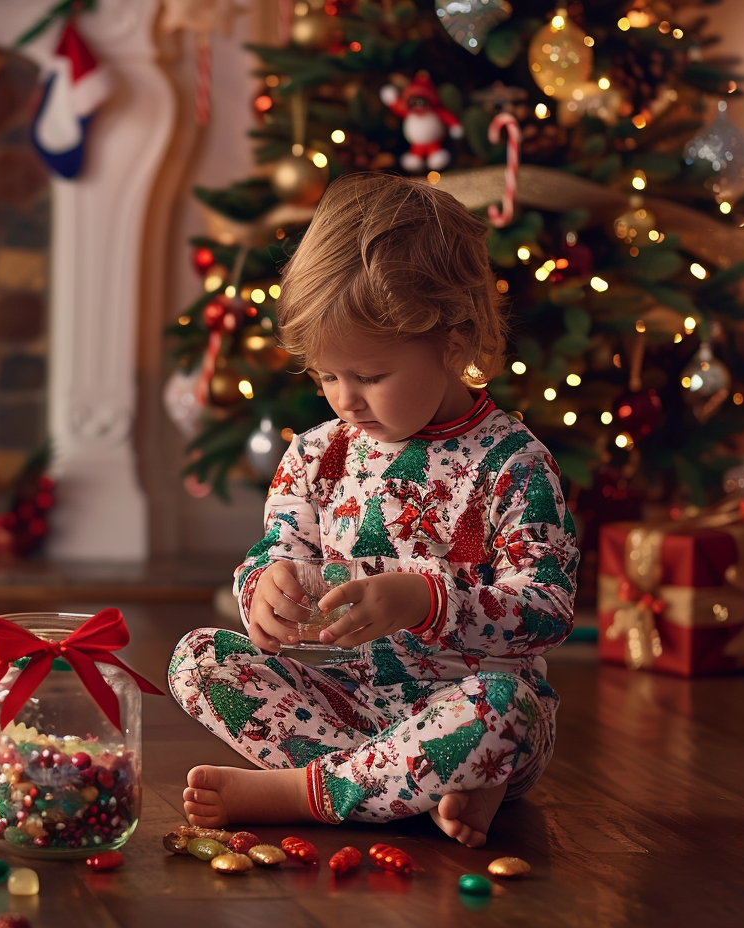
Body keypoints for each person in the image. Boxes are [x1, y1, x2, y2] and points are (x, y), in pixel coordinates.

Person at [167, 173, 578, 848]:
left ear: (455, 339)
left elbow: (549, 608)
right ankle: (420, 786)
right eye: (328, 375)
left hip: (470, 708)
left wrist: (425, 601)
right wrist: (264, 593)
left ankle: (310, 792)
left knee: (503, 715)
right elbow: (276, 554)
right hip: (349, 707)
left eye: (371, 376)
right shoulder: (316, 457)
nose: (345, 400)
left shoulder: (514, 464)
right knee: (197, 658)